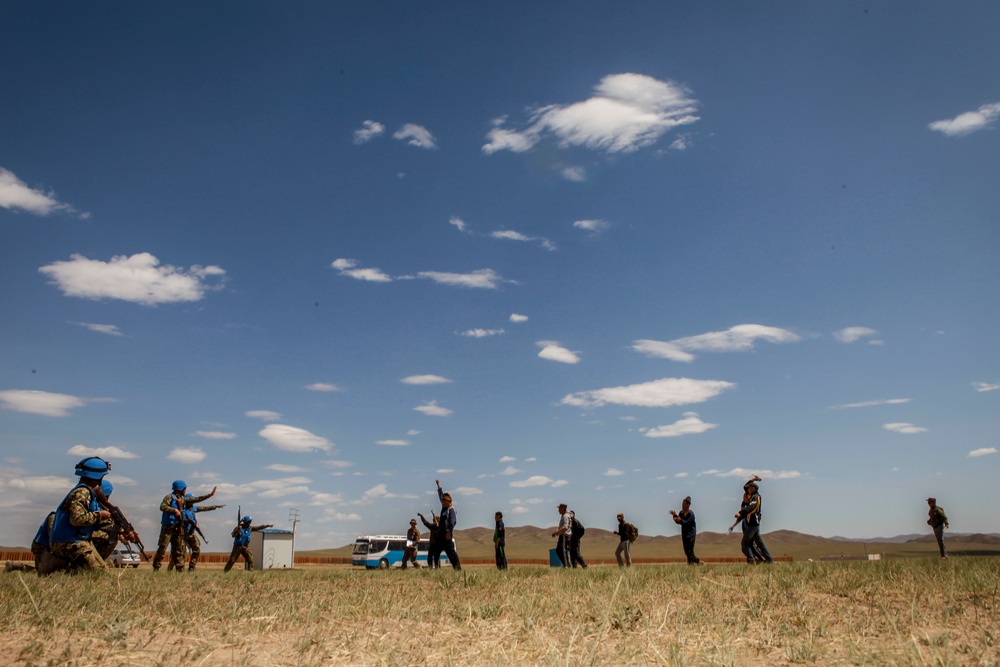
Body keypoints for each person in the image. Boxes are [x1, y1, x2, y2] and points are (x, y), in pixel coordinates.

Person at [49, 457, 113, 573]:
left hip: (77, 540)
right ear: (98, 477)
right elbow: (77, 519)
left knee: (105, 573)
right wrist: (100, 515)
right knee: (99, 575)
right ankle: (64, 567)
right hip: (69, 542)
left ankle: (67, 568)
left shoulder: (85, 492)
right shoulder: (82, 492)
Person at [152, 480, 217, 572]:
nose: (186, 490)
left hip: (178, 528)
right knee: (163, 548)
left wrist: (209, 495)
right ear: (180, 488)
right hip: (167, 528)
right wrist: (174, 510)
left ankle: (180, 569)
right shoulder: (169, 497)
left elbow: (197, 499)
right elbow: (162, 507)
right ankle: (156, 567)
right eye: (185, 488)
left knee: (179, 549)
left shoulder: (183, 499)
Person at [168, 496, 225, 571]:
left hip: (191, 533)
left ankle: (192, 567)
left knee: (196, 549)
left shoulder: (193, 509)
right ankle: (171, 568)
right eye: (190, 501)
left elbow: (204, 508)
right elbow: (180, 520)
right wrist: (189, 522)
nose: (192, 503)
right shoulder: (181, 510)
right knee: (180, 553)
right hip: (182, 534)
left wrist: (215, 506)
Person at [733, 478, 772, 564]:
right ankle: (769, 561)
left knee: (745, 543)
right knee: (759, 543)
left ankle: (752, 560)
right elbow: (745, 487)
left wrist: (741, 513)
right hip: (752, 523)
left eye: (749, 488)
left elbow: (751, 507)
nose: (747, 490)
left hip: (753, 524)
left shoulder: (756, 497)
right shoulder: (751, 496)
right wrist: (753, 479)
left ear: (753, 489)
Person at [436, 480, 462, 570]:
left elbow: (453, 521)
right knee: (436, 551)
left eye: (444, 501)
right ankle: (436, 568)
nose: (442, 502)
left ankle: (457, 568)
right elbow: (440, 496)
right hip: (441, 534)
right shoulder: (444, 508)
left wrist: (448, 531)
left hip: (447, 534)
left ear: (448, 501)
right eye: (442, 500)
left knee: (451, 552)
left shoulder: (451, 509)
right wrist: (438, 486)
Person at [670, 496, 701, 565]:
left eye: (684, 504)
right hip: (684, 534)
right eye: (682, 504)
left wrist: (680, 520)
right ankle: (691, 565)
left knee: (689, 552)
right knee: (686, 551)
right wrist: (674, 516)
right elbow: (679, 522)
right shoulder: (681, 513)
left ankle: (698, 562)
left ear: (688, 504)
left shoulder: (691, 514)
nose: (682, 506)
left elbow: (686, 523)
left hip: (691, 535)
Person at [551, 503, 572, 567]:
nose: (558, 510)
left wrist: (556, 532)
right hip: (563, 535)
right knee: (559, 551)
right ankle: (566, 564)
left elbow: (565, 527)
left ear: (563, 508)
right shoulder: (565, 515)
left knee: (563, 551)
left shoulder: (565, 516)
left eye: (559, 508)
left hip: (564, 536)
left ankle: (567, 565)